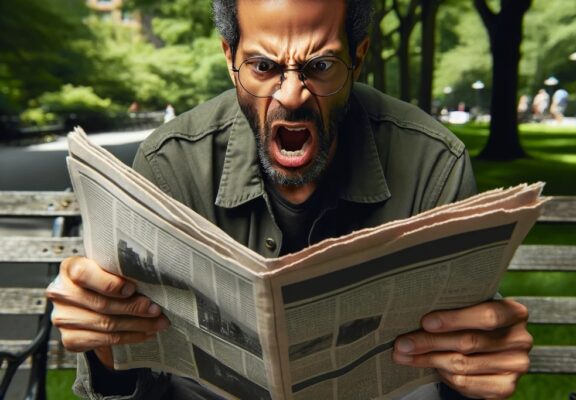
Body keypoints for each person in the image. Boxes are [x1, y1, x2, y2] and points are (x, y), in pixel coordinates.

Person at [46, 1, 532, 399]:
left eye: (320, 66)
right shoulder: (168, 166)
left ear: (358, 57)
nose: (293, 95)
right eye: (263, 66)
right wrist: (108, 348)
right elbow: (144, 384)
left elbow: (459, 362)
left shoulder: (433, 165)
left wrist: (476, 372)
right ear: (229, 57)